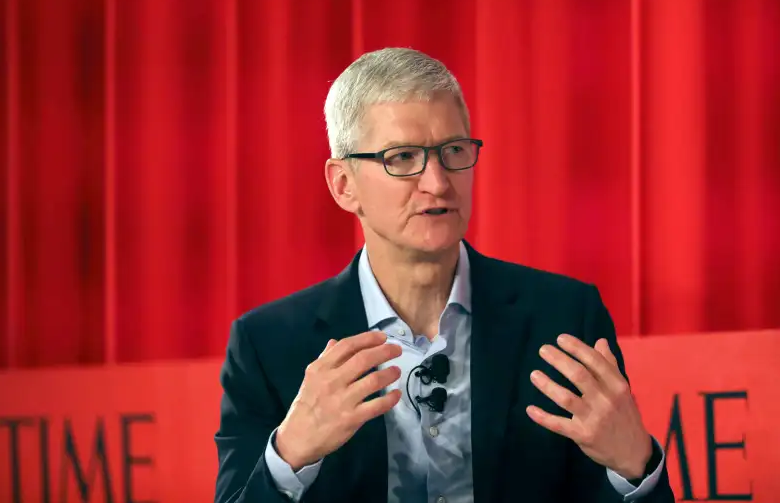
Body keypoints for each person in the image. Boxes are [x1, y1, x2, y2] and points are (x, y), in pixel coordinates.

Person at [213, 47, 675, 503]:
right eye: (402, 158)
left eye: (453, 150)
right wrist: (290, 454)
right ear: (343, 184)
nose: (437, 182)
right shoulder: (267, 346)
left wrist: (635, 466)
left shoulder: (564, 319)